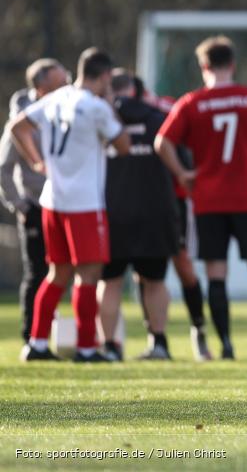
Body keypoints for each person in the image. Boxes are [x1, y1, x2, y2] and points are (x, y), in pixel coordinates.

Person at [155, 35, 247, 360]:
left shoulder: (191, 102)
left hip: (209, 199)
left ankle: (227, 346)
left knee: (216, 274)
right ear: (232, 64)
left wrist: (183, 174)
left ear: (204, 66)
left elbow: (162, 142)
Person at [13, 48, 130, 362]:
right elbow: (124, 144)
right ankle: (87, 348)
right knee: (88, 276)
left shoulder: (56, 97)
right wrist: (109, 106)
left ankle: (36, 343)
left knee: (56, 274)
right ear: (105, 76)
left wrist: (38, 162)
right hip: (85, 204)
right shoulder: (95, 107)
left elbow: (17, 127)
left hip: (53, 199)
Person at [97, 70, 180, 361]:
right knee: (154, 281)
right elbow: (181, 160)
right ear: (137, 90)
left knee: (110, 282)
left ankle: (110, 347)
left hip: (111, 213)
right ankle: (158, 343)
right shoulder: (159, 118)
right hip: (155, 212)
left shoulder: (100, 120)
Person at [138, 78, 212, 361]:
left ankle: (199, 331)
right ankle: (155, 339)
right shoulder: (120, 113)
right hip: (143, 203)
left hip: (175, 200)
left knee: (183, 264)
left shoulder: (169, 108)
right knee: (145, 272)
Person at [0, 59, 69, 344]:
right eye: (59, 84)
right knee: (38, 272)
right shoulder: (23, 122)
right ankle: (32, 337)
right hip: (36, 207)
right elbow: (4, 168)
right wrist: (20, 205)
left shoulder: (68, 112)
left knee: (74, 270)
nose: (67, 88)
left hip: (68, 204)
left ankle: (72, 337)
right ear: (41, 89)